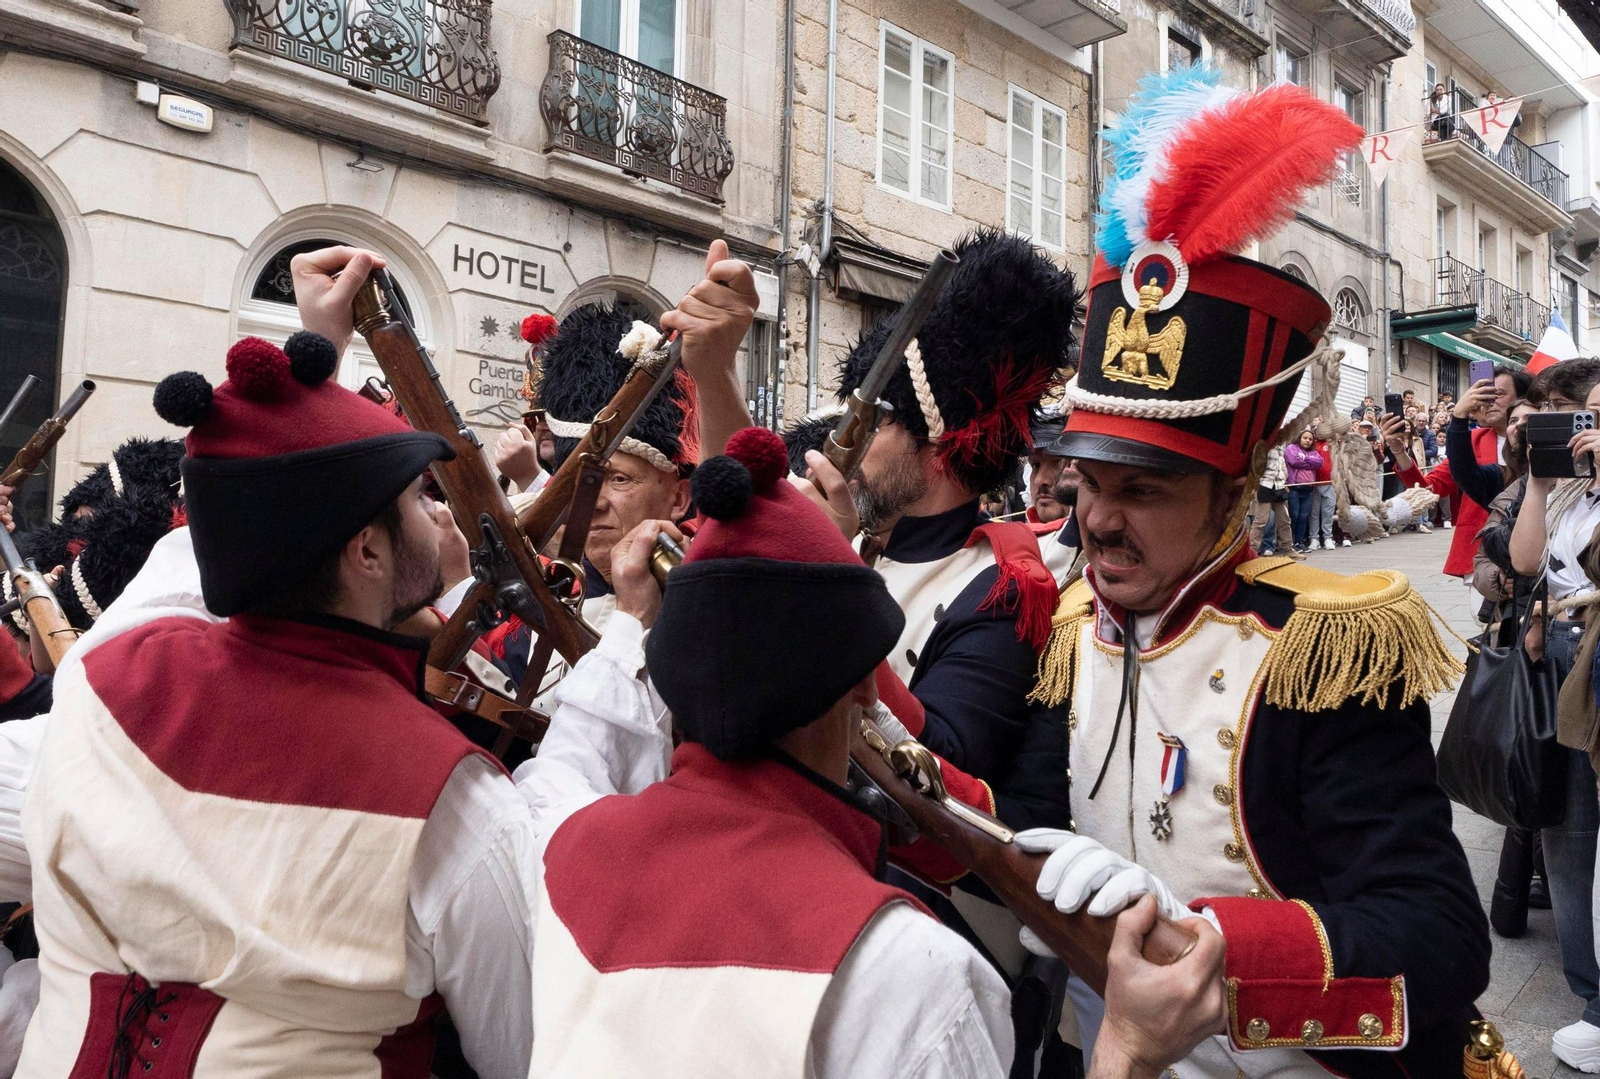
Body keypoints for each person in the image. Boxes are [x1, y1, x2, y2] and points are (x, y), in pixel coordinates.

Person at [515, 428, 1230, 1079]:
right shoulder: (922, 974)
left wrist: (633, 627)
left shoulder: (557, 841)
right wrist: (1129, 1051)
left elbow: (567, 762)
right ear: (867, 683)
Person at [1031, 67, 1492, 1075]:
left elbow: (1439, 940)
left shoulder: (1317, 649)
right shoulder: (1075, 623)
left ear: (1233, 490)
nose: (1097, 519)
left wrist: (1221, 946)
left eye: (1143, 490)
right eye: (1087, 480)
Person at [17, 331, 539, 1076]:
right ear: (366, 550)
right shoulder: (455, 798)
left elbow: (208, 549)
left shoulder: (102, 674)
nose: (439, 517)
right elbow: (525, 1052)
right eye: (420, 499)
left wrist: (274, 428)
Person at [1507, 369, 1600, 1072]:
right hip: (1561, 655)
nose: (1587, 428)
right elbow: (1526, 559)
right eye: (1581, 415)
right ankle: (1589, 993)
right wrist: (1539, 479)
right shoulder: (1569, 488)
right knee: (1564, 832)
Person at [1393, 364, 1529, 578]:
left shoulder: (1541, 441)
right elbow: (1428, 488)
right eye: (1484, 393)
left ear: (1522, 398)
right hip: (1481, 554)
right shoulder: (1470, 441)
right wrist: (1399, 451)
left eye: (1498, 394)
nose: (1490, 400)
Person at [1247, 446, 1298, 559]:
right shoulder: (1264, 445)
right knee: (1261, 520)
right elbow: (1255, 465)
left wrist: (1283, 478)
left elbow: (1282, 465)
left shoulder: (1280, 445)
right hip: (1264, 484)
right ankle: (1252, 550)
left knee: (1284, 520)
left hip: (1279, 485)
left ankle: (1288, 548)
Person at [1283, 428, 1322, 552]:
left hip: (1308, 489)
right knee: (1294, 515)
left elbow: (1319, 463)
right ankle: (1291, 542)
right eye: (1305, 438)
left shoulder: (1314, 452)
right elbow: (1294, 461)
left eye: (1310, 439)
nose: (1308, 441)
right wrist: (1310, 462)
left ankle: (1299, 542)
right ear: (1299, 438)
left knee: (1303, 516)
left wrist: (1304, 458)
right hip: (1294, 488)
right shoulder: (1291, 448)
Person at [1306, 420, 1337, 550]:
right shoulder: (1310, 446)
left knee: (1328, 512)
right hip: (1313, 483)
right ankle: (1314, 538)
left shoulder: (1331, 443)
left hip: (1330, 482)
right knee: (1313, 513)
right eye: (1317, 430)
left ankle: (1328, 537)